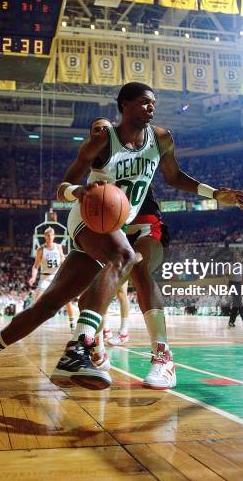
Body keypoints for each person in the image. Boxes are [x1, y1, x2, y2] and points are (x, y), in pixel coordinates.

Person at [0, 82, 243, 396]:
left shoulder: (161, 139)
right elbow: (62, 186)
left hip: (113, 224)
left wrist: (214, 193)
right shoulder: (103, 142)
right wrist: (77, 191)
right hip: (87, 218)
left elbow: (173, 177)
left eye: (154, 103)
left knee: (48, 305)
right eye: (145, 102)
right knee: (127, 257)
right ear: (124, 105)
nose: (152, 108)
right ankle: (79, 348)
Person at [87, 117, 175, 389]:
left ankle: (163, 358)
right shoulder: (93, 171)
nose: (102, 132)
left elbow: (174, 175)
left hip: (147, 221)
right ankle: (96, 348)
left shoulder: (132, 147)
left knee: (138, 265)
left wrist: (212, 192)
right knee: (95, 282)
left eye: (106, 128)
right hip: (115, 228)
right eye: (96, 131)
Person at [29, 226, 77, 330]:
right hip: (45, 277)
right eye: (48, 235)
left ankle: (72, 322)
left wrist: (64, 260)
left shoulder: (58, 247)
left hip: (57, 276)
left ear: (54, 236)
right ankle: (30, 323)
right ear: (45, 237)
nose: (50, 237)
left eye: (51, 235)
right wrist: (33, 277)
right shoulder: (40, 249)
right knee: (36, 300)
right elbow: (36, 266)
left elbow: (62, 258)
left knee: (67, 299)